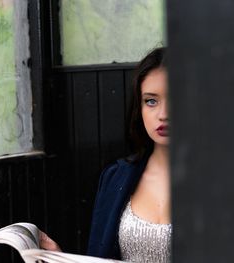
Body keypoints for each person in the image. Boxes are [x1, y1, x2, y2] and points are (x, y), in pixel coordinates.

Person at [40, 47, 171, 263]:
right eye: (151, 101)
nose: (163, 114)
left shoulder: (222, 181)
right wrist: (59, 258)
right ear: (139, 108)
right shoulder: (115, 177)